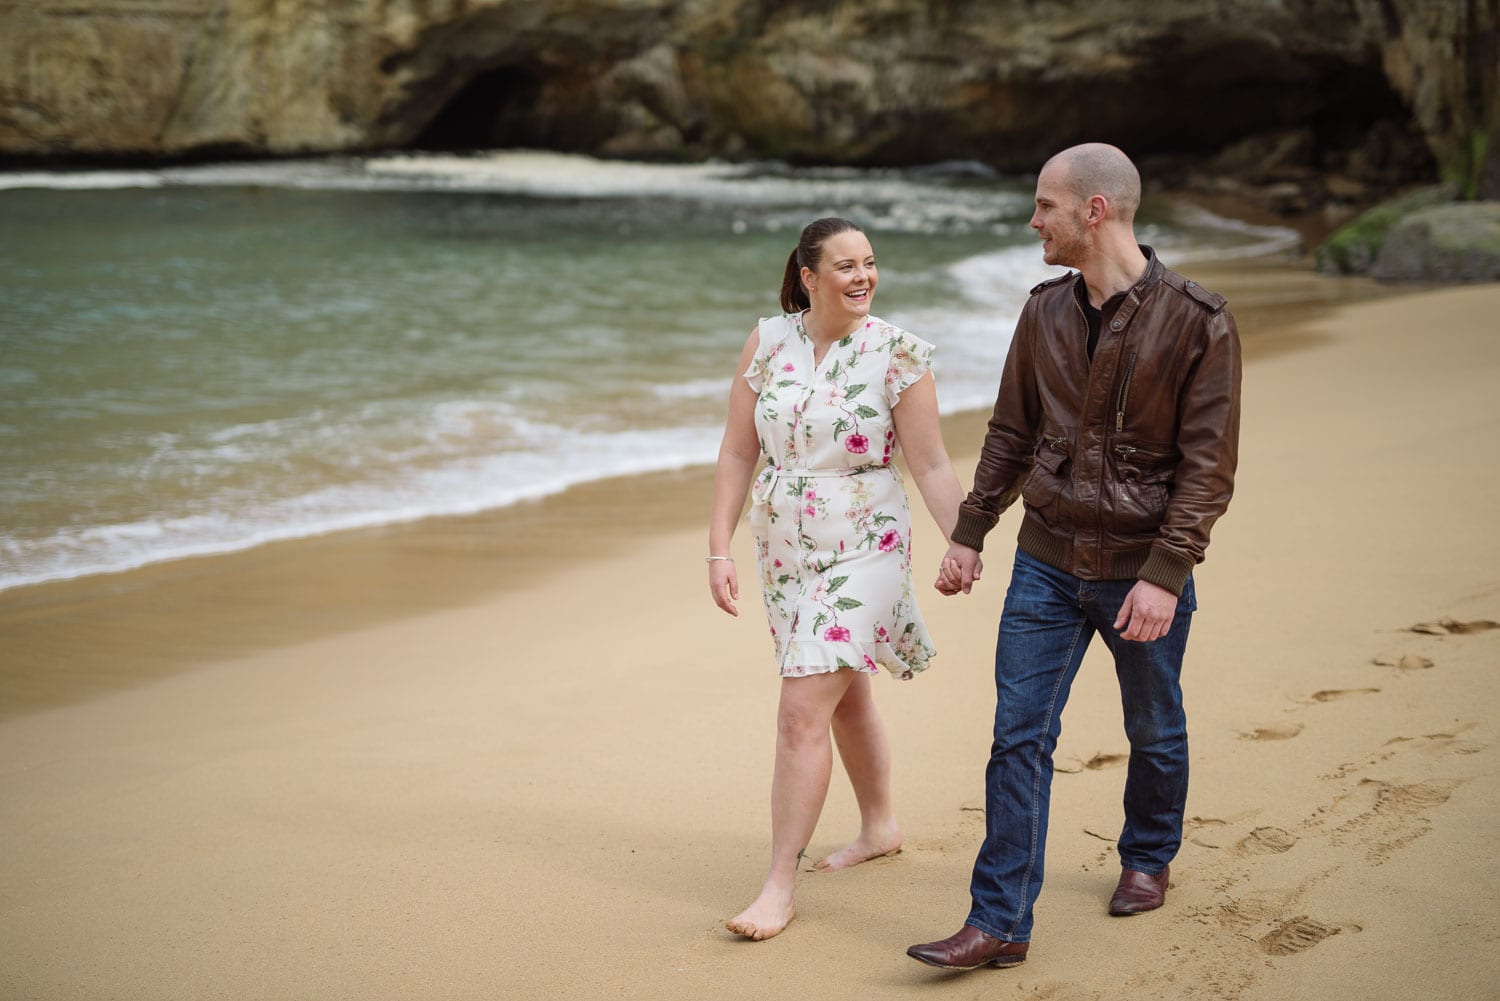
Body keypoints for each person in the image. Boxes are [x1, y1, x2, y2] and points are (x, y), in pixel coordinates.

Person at [906, 143, 1242, 971]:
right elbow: (1012, 434)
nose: (1033, 221)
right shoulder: (1043, 311)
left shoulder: (1201, 321)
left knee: (1152, 724)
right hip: (1047, 563)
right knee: (1017, 735)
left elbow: (1209, 470)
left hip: (1141, 569)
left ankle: (1149, 854)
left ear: (1094, 211)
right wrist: (970, 533)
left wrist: (1166, 576)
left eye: (1046, 205)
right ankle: (1000, 922)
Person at [707, 217, 967, 941]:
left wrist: (964, 542)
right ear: (808, 276)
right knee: (845, 695)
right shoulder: (768, 340)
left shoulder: (898, 354)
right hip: (785, 549)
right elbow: (736, 452)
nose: (862, 276)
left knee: (800, 709)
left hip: (868, 543)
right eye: (846, 265)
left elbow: (934, 465)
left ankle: (777, 885)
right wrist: (717, 548)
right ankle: (880, 824)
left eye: (871, 263)